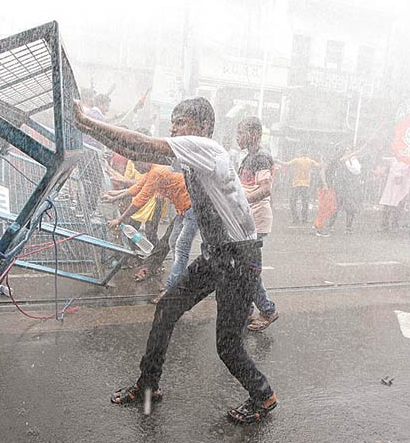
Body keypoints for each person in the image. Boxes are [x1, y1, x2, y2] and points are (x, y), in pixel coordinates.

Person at [73, 97, 277, 423]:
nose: (174, 128)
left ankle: (262, 395)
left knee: (227, 346)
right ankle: (148, 384)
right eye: (173, 122)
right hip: (216, 256)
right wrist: (88, 131)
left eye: (180, 121)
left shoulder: (206, 149)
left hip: (240, 258)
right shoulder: (193, 155)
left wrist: (88, 123)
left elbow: (141, 144)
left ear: (203, 126)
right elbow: (143, 157)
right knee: (167, 307)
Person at [102, 164, 197, 303]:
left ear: (146, 160)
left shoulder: (157, 172)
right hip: (183, 210)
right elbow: (135, 189)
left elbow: (140, 199)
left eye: (137, 162)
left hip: (192, 209)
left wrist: (120, 219)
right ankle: (176, 282)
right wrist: (114, 196)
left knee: (181, 249)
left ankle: (171, 289)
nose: (135, 166)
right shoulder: (151, 172)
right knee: (172, 242)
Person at [236, 116, 279, 332]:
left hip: (256, 221)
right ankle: (246, 312)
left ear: (254, 134)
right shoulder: (248, 157)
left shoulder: (261, 158)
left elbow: (265, 189)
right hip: (247, 220)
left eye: (241, 132)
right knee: (245, 269)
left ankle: (267, 310)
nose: (237, 137)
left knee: (250, 270)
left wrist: (241, 202)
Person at [325, 145, 364, 234]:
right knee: (336, 207)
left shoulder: (354, 161)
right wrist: (354, 153)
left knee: (350, 208)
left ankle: (348, 228)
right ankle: (330, 225)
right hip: (340, 186)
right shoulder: (340, 160)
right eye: (346, 150)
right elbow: (341, 160)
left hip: (351, 187)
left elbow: (358, 171)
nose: (348, 152)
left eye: (349, 150)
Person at [280, 149, 320, 224]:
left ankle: (296, 218)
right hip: (306, 184)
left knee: (292, 201)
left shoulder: (297, 160)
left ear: (300, 153)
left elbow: (286, 164)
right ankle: (304, 219)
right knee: (305, 202)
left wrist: (277, 161)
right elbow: (318, 165)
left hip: (296, 184)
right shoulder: (310, 161)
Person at [379, 157, 410, 232]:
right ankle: (385, 225)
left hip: (401, 190)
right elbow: (383, 159)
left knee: (398, 208)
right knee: (387, 207)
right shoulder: (394, 160)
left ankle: (395, 225)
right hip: (390, 189)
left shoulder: (409, 162)